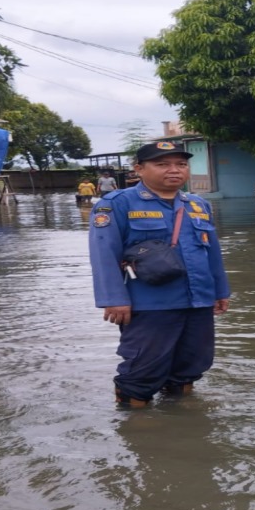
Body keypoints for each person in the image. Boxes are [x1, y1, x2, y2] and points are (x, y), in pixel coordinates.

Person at [88, 141, 231, 407]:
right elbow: (103, 253)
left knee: (192, 363)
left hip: (197, 300)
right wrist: (114, 298)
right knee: (143, 367)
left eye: (181, 164)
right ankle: (138, 427)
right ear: (139, 169)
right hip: (150, 304)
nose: (174, 170)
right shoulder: (117, 204)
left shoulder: (198, 204)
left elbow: (211, 252)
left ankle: (180, 419)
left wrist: (220, 291)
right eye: (162, 164)